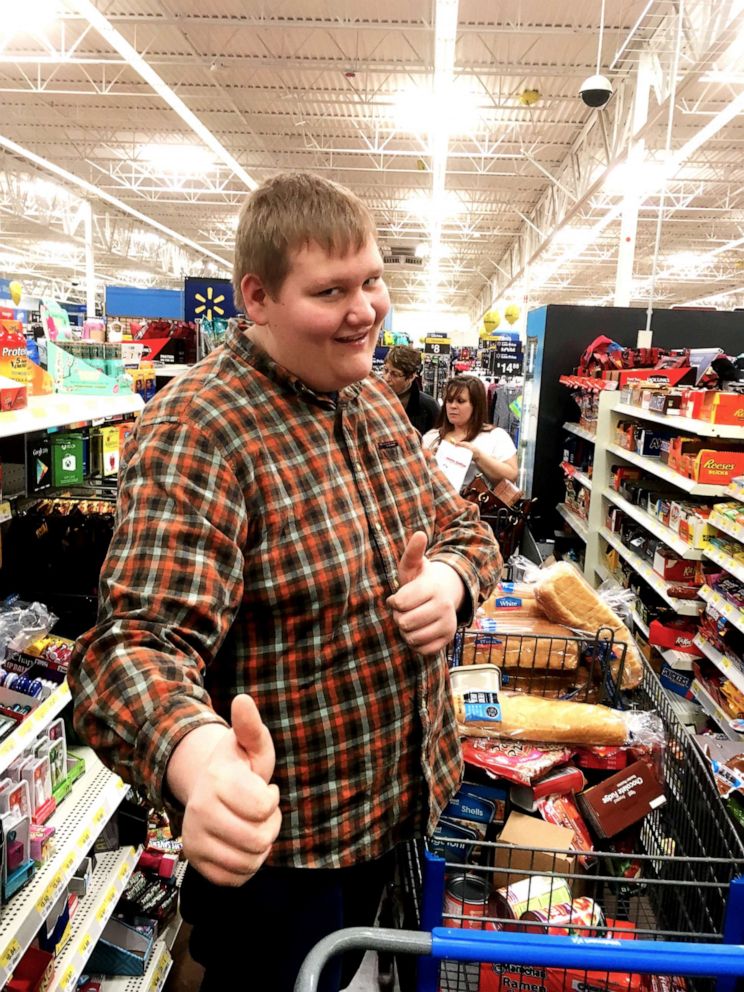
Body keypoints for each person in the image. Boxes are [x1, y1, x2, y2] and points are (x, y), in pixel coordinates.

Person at [69, 172, 502, 992]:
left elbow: (465, 528)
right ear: (257, 298)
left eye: (372, 279)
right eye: (330, 290)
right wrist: (197, 760)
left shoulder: (371, 400)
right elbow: (128, 646)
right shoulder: (202, 428)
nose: (365, 308)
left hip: (395, 809)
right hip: (285, 851)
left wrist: (449, 581)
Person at [422, 375, 518, 489]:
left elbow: (511, 476)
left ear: (475, 405)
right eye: (449, 400)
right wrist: (428, 459)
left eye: (460, 401)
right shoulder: (431, 437)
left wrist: (478, 456)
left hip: (479, 504)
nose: (453, 406)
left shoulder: (496, 436)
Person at [381, 344, 440, 436]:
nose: (386, 378)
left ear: (411, 376)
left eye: (395, 374)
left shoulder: (429, 407)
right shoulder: (372, 399)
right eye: (385, 370)